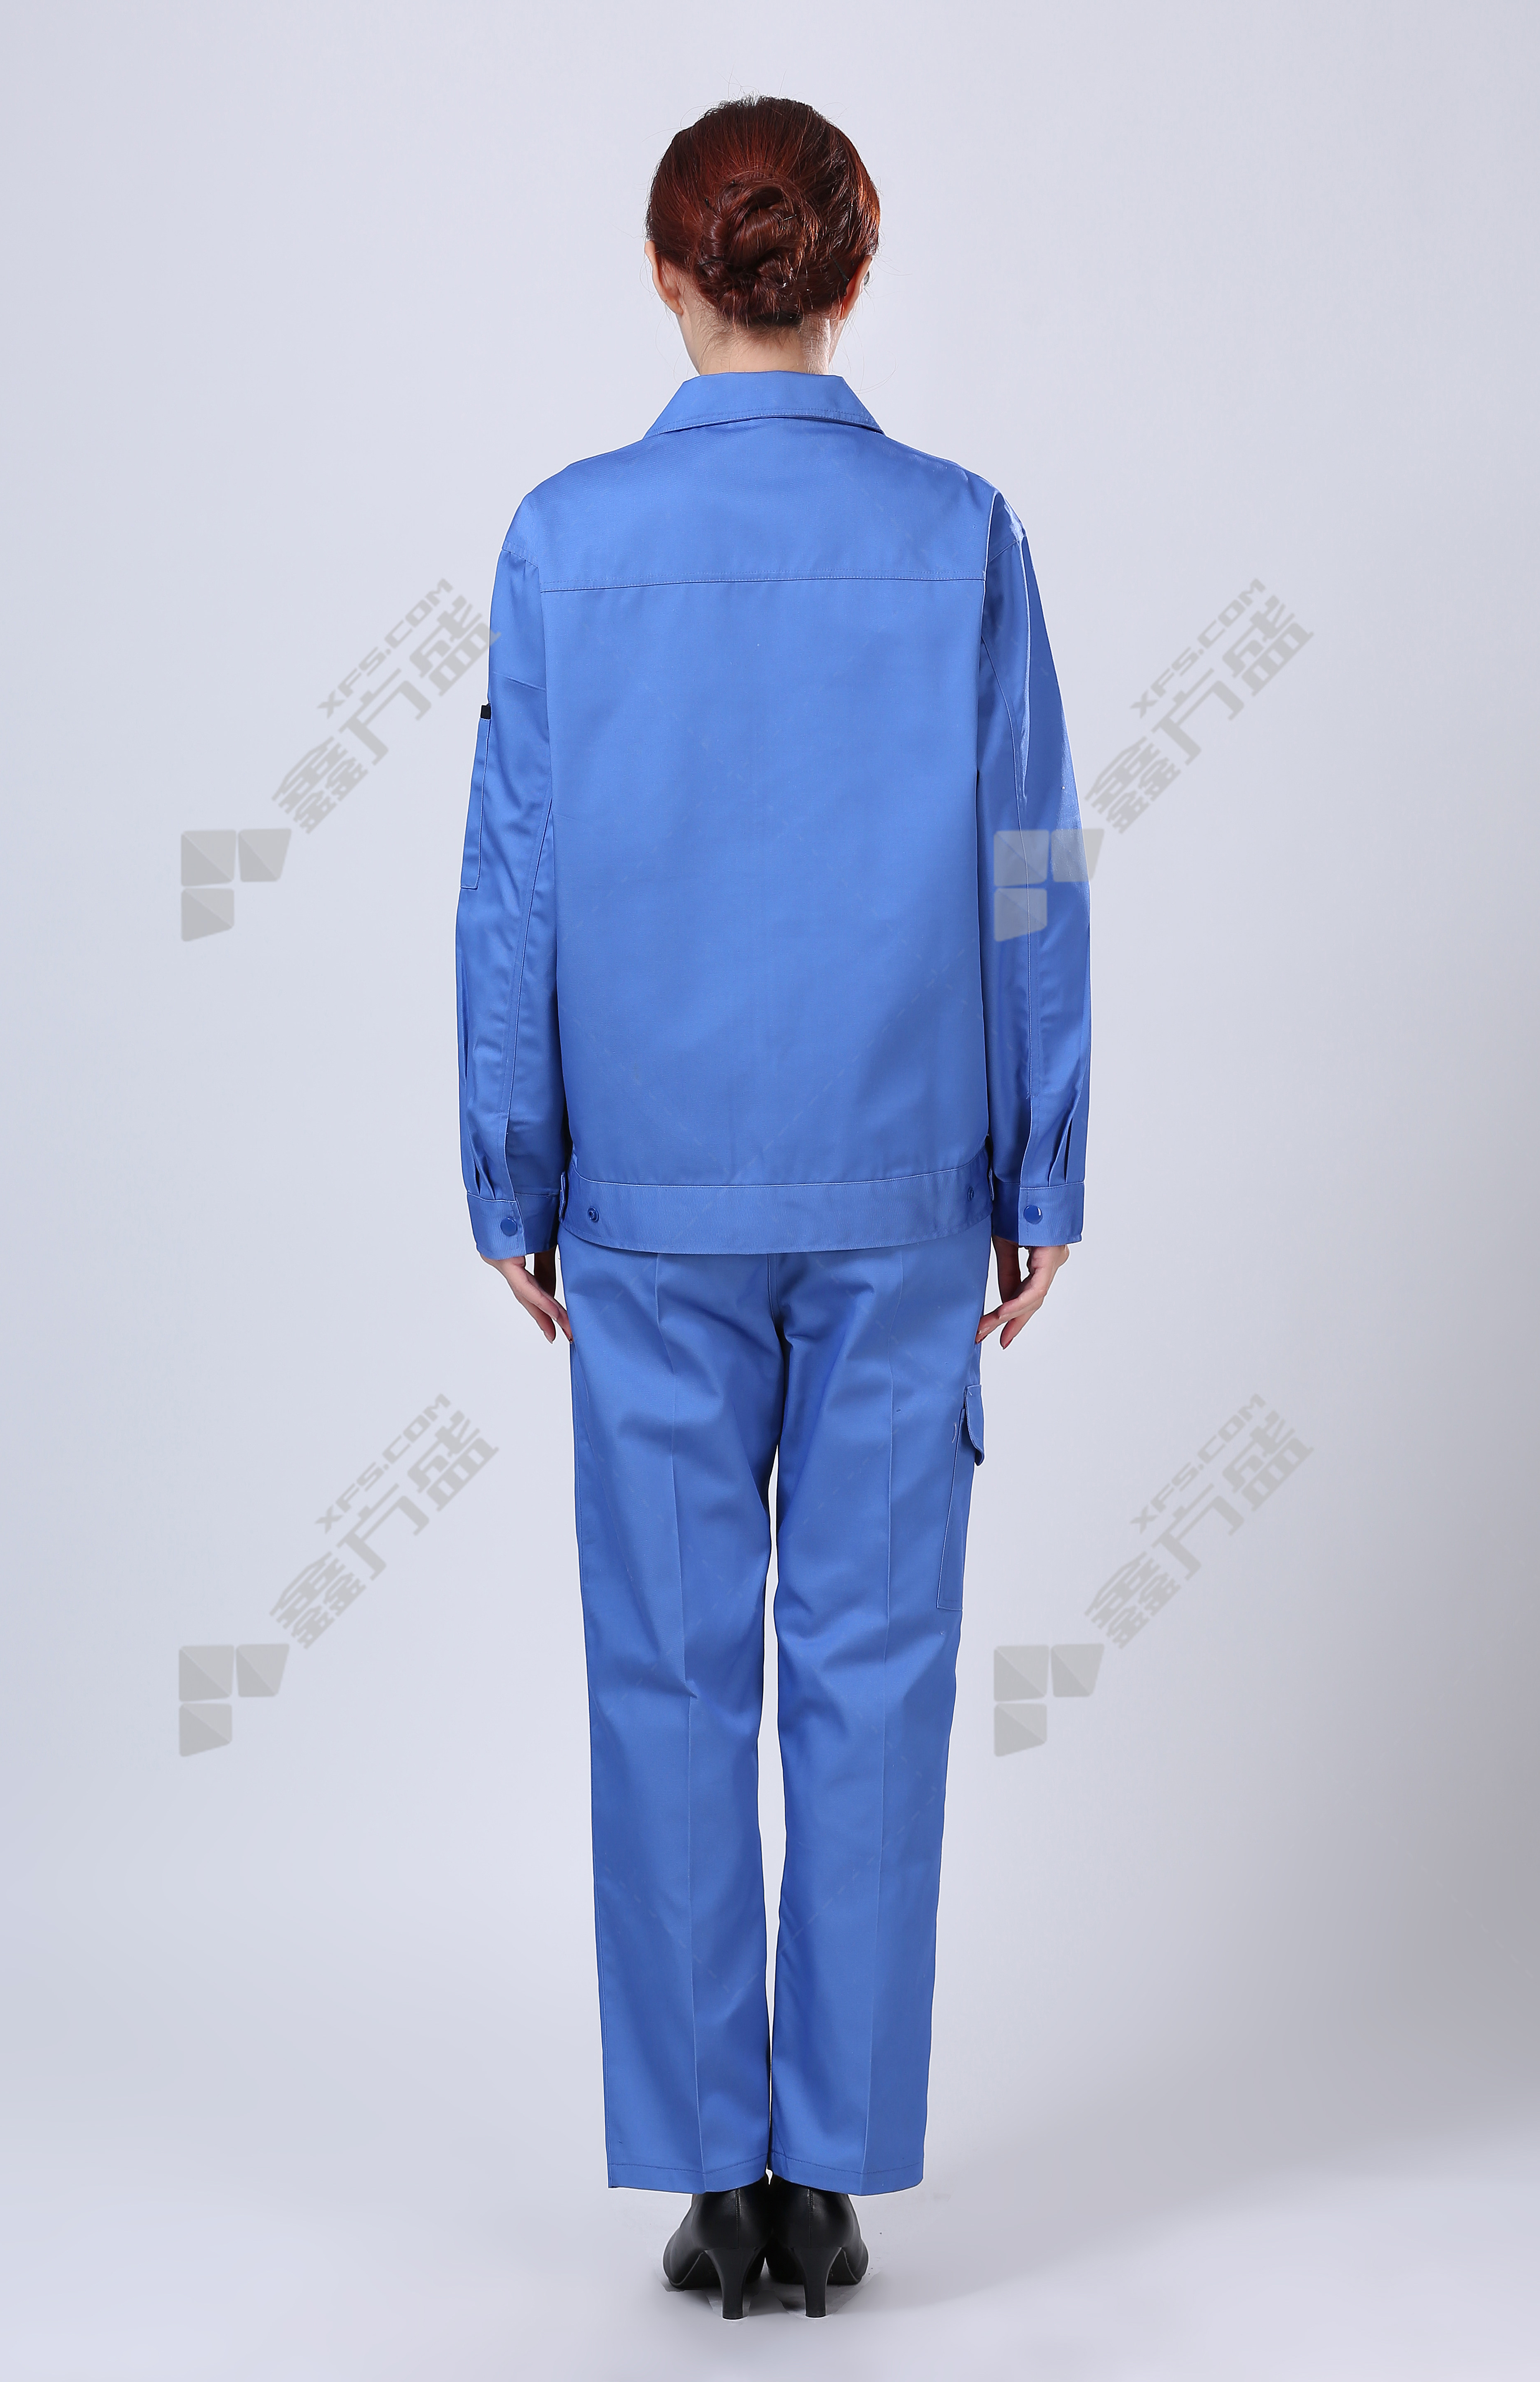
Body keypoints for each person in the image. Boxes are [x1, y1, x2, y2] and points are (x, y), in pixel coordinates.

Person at [455, 93, 1091, 2320]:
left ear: (667, 275)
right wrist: (1044, 1157)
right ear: (853, 269)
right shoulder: (961, 535)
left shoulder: (567, 539)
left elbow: (519, 873)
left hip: (646, 1190)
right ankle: (827, 2176)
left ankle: (709, 2175)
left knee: (665, 1668)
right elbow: (1030, 858)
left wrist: (511, 1167)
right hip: (905, 1175)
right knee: (876, 1668)